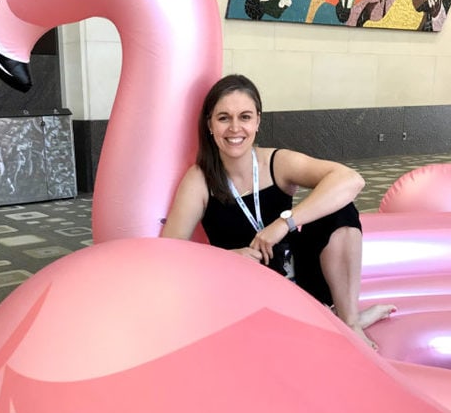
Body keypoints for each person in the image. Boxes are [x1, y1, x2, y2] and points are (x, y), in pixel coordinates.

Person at [161, 74, 396, 349]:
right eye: (224, 118)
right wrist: (226, 258)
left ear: (258, 121)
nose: (235, 128)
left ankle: (349, 322)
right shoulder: (200, 180)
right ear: (209, 124)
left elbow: (351, 180)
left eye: (245, 117)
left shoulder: (277, 162)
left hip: (296, 278)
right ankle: (332, 322)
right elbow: (169, 255)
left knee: (341, 210)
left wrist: (285, 222)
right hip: (243, 291)